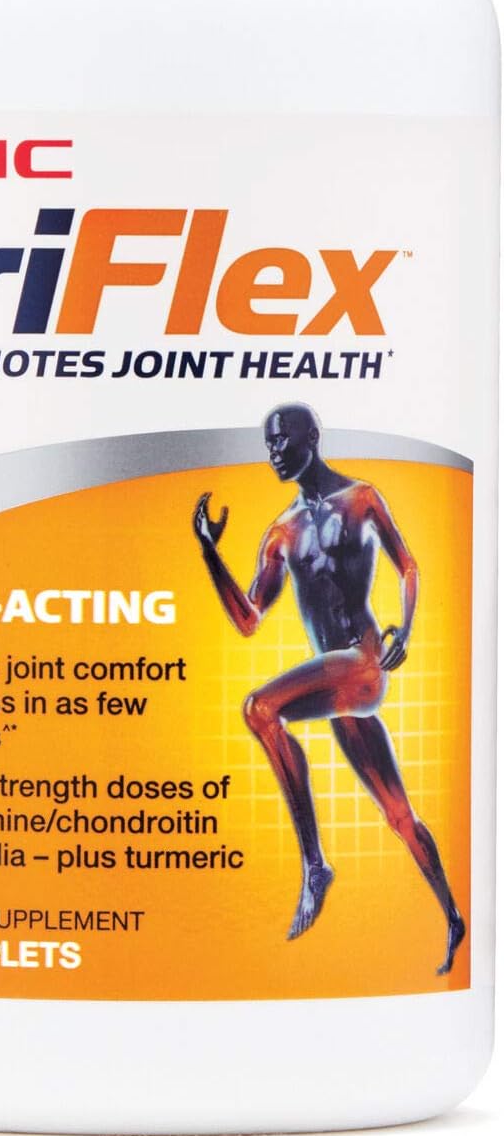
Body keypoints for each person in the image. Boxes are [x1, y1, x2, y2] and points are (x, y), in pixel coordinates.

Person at [193, 402, 465, 974]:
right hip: (342, 692)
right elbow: (248, 619)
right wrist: (210, 554)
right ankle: (453, 917)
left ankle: (314, 864)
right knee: (399, 815)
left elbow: (409, 565)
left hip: (364, 663)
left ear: (310, 437)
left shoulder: (361, 498)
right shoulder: (281, 533)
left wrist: (405, 630)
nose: (273, 452)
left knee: (260, 708)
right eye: (267, 444)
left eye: (281, 440)